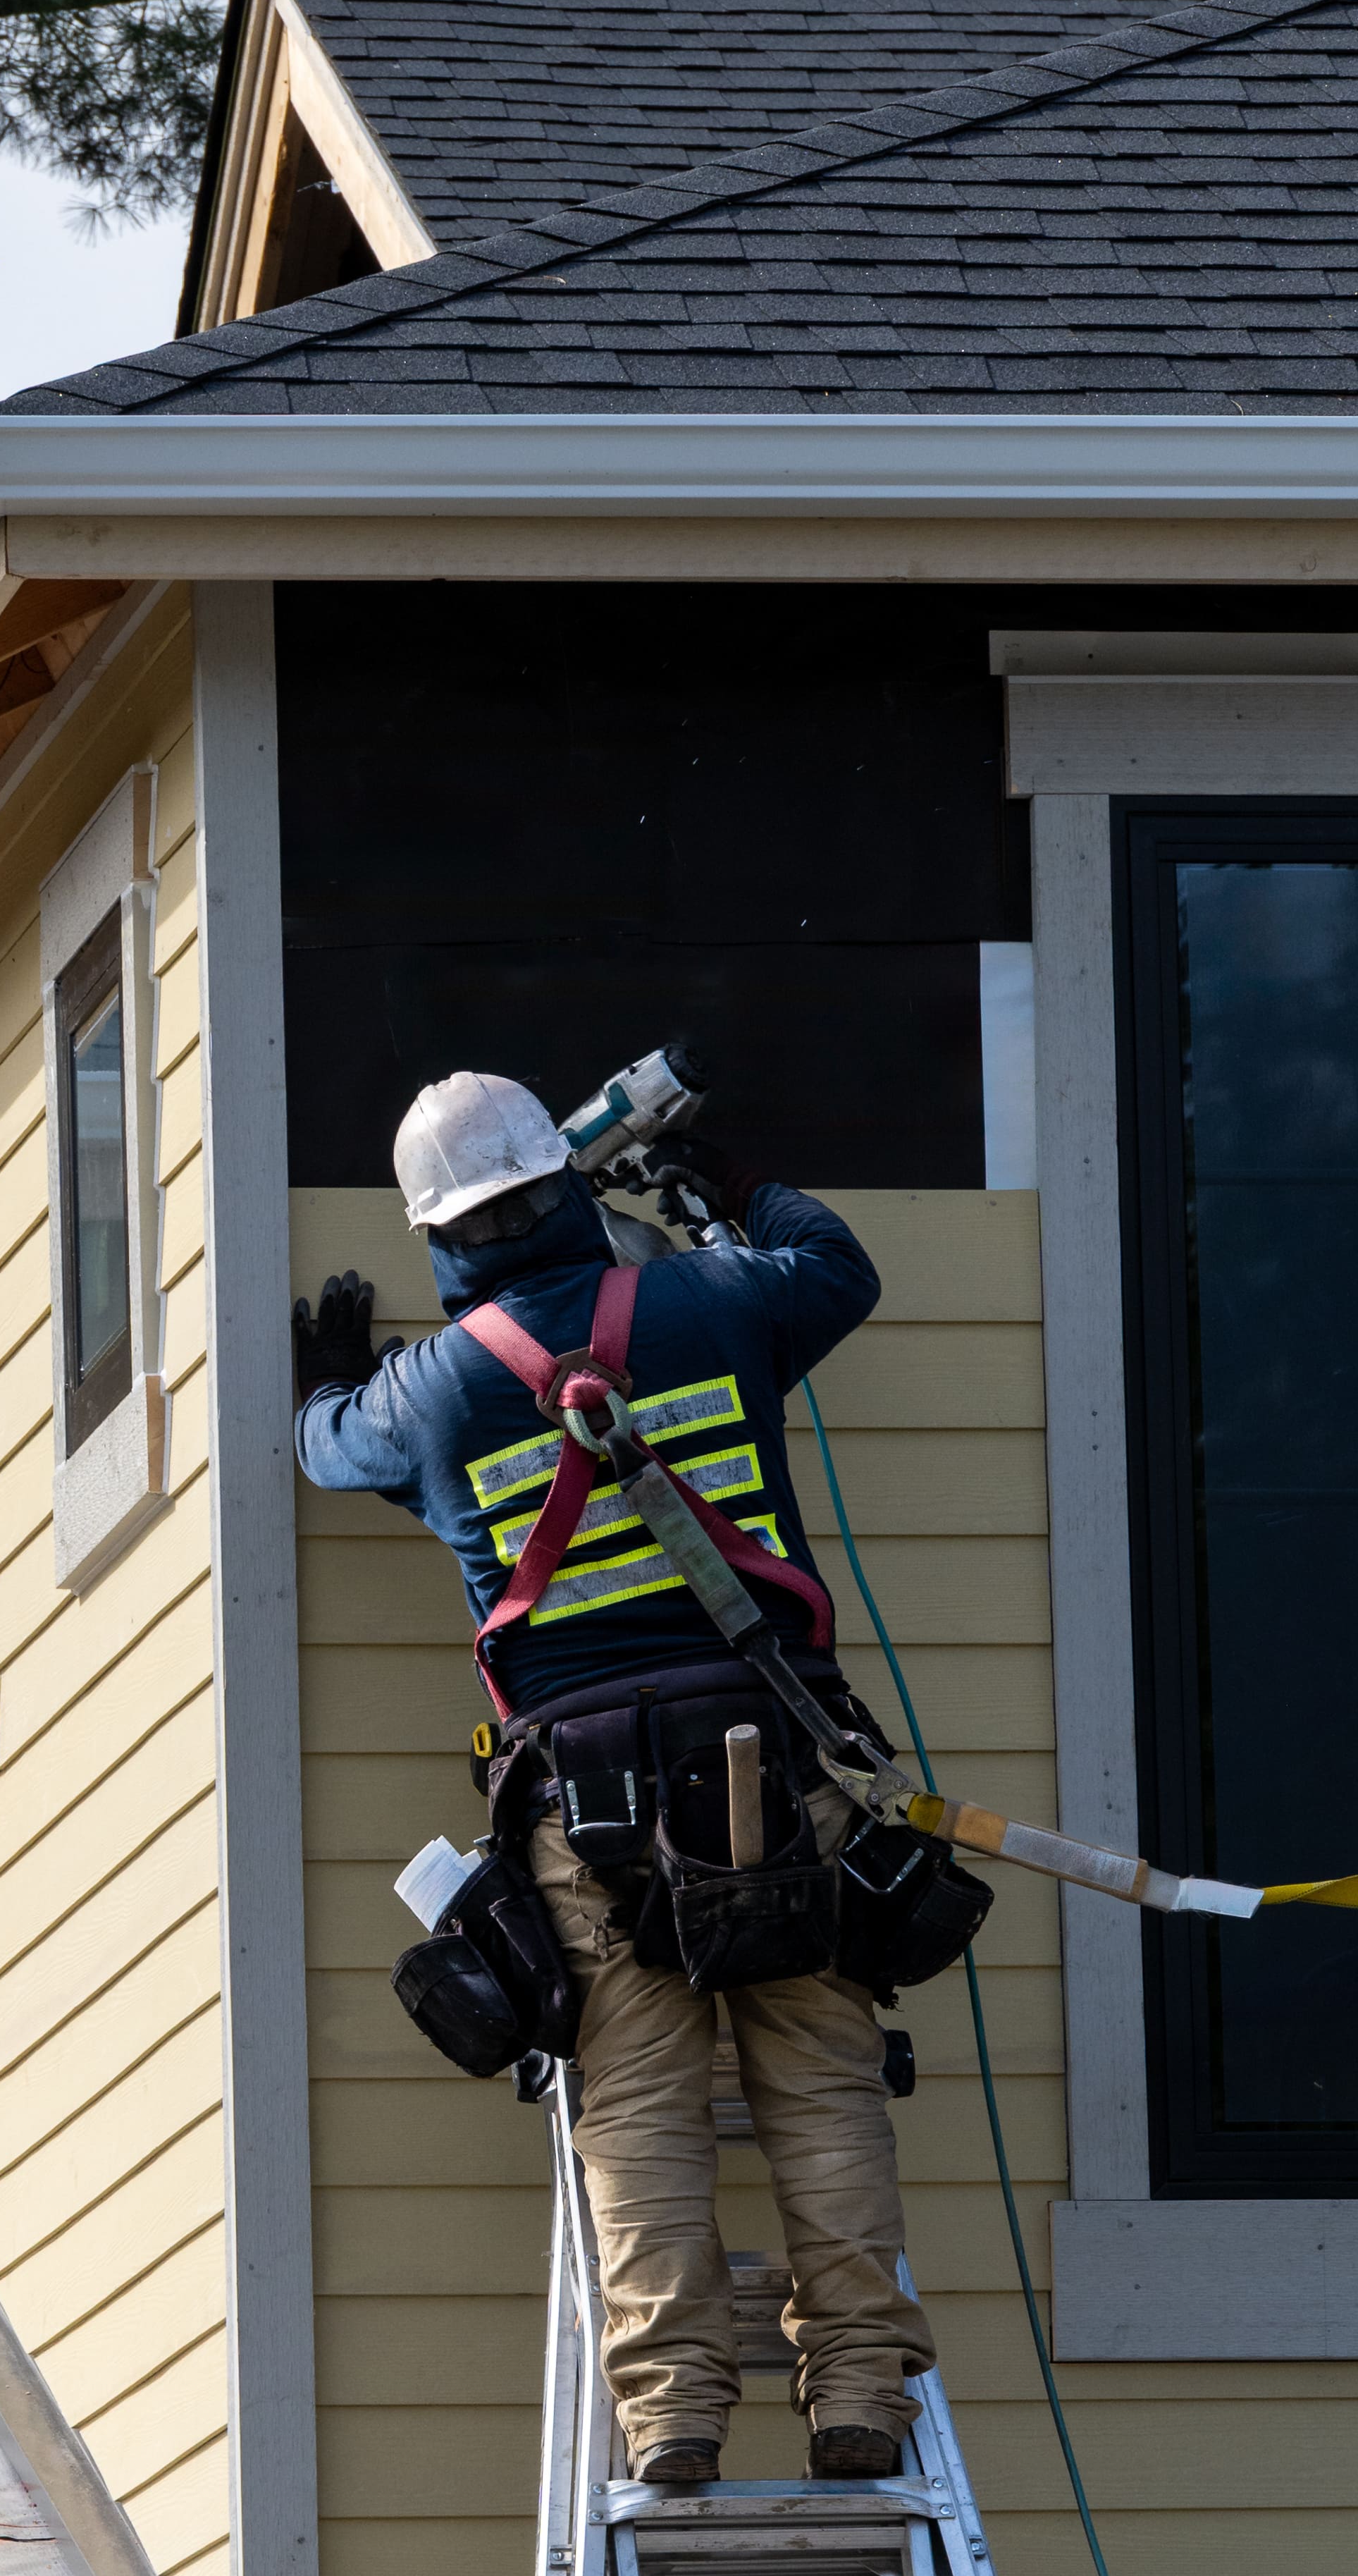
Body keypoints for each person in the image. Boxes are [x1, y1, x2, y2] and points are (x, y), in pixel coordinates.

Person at [295, 1065, 951, 2495]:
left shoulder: (426, 1396)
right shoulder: (719, 1306)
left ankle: (672, 2422)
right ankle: (852, 2396)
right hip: (781, 1762)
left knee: (639, 2112)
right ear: (568, 1182)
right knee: (823, 2087)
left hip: (590, 1813)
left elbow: (324, 1444)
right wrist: (736, 1182)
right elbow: (834, 1268)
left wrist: (331, 1376)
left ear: (440, 1235)